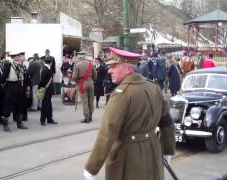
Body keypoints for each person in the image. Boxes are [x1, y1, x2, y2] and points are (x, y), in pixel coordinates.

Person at [83, 47, 175, 180]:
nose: (109, 71)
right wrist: (167, 151)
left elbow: (107, 134)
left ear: (128, 69)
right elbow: (167, 124)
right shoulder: (154, 88)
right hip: (154, 151)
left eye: (114, 66)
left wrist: (91, 169)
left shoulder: (122, 94)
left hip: (128, 157)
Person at [1, 51, 28, 132]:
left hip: (19, 86)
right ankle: (5, 125)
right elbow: (3, 76)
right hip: (11, 86)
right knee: (8, 106)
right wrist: (5, 86)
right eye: (18, 56)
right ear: (15, 56)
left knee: (19, 105)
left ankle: (19, 123)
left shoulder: (18, 64)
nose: (20, 57)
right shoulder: (8, 64)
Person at [72, 52, 97, 123]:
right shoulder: (90, 64)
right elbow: (95, 74)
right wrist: (93, 81)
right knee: (91, 101)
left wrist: (77, 81)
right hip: (91, 83)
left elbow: (74, 76)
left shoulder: (78, 65)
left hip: (82, 83)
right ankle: (91, 116)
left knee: (85, 101)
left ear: (79, 58)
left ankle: (86, 117)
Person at [39, 57, 58, 125]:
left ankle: (49, 118)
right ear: (51, 62)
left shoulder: (44, 68)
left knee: (48, 105)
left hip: (46, 90)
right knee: (45, 105)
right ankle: (43, 120)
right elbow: (44, 81)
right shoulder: (46, 69)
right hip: (46, 90)